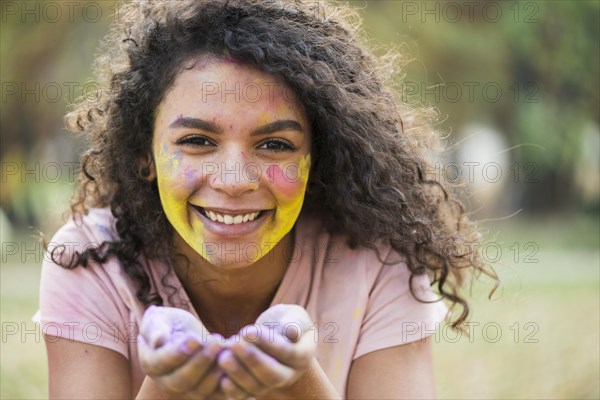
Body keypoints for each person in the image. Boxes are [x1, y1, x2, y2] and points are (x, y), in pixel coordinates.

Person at [39, 0, 493, 399]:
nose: (235, 180)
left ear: (318, 157)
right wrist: (169, 389)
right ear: (146, 154)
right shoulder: (89, 262)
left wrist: (299, 384)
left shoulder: (378, 262)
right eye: (197, 140)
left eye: (274, 145)